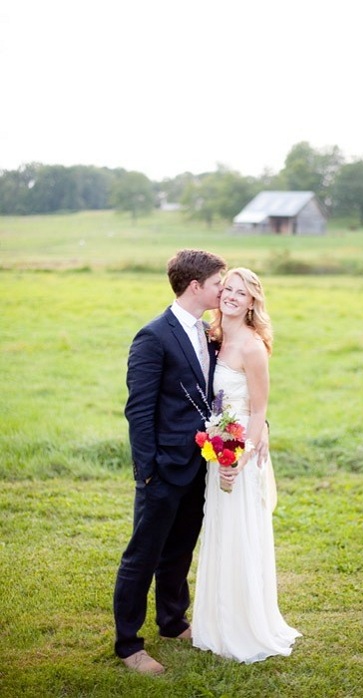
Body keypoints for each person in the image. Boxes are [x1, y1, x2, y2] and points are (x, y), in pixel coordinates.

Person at [113, 249, 227, 675]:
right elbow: (138, 410)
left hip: (200, 463)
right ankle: (128, 645)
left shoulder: (207, 331)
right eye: (219, 283)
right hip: (161, 468)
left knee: (180, 549)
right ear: (196, 286)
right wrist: (146, 471)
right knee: (143, 555)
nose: (223, 289)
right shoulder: (153, 336)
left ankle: (173, 621)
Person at [192, 267, 301, 663]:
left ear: (253, 301)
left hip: (240, 455)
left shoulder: (253, 347)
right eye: (227, 290)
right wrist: (220, 451)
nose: (231, 297)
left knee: (241, 535)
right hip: (216, 451)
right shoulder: (213, 336)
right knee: (220, 533)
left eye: (240, 292)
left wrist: (242, 454)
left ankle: (244, 625)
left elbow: (259, 410)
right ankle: (216, 623)